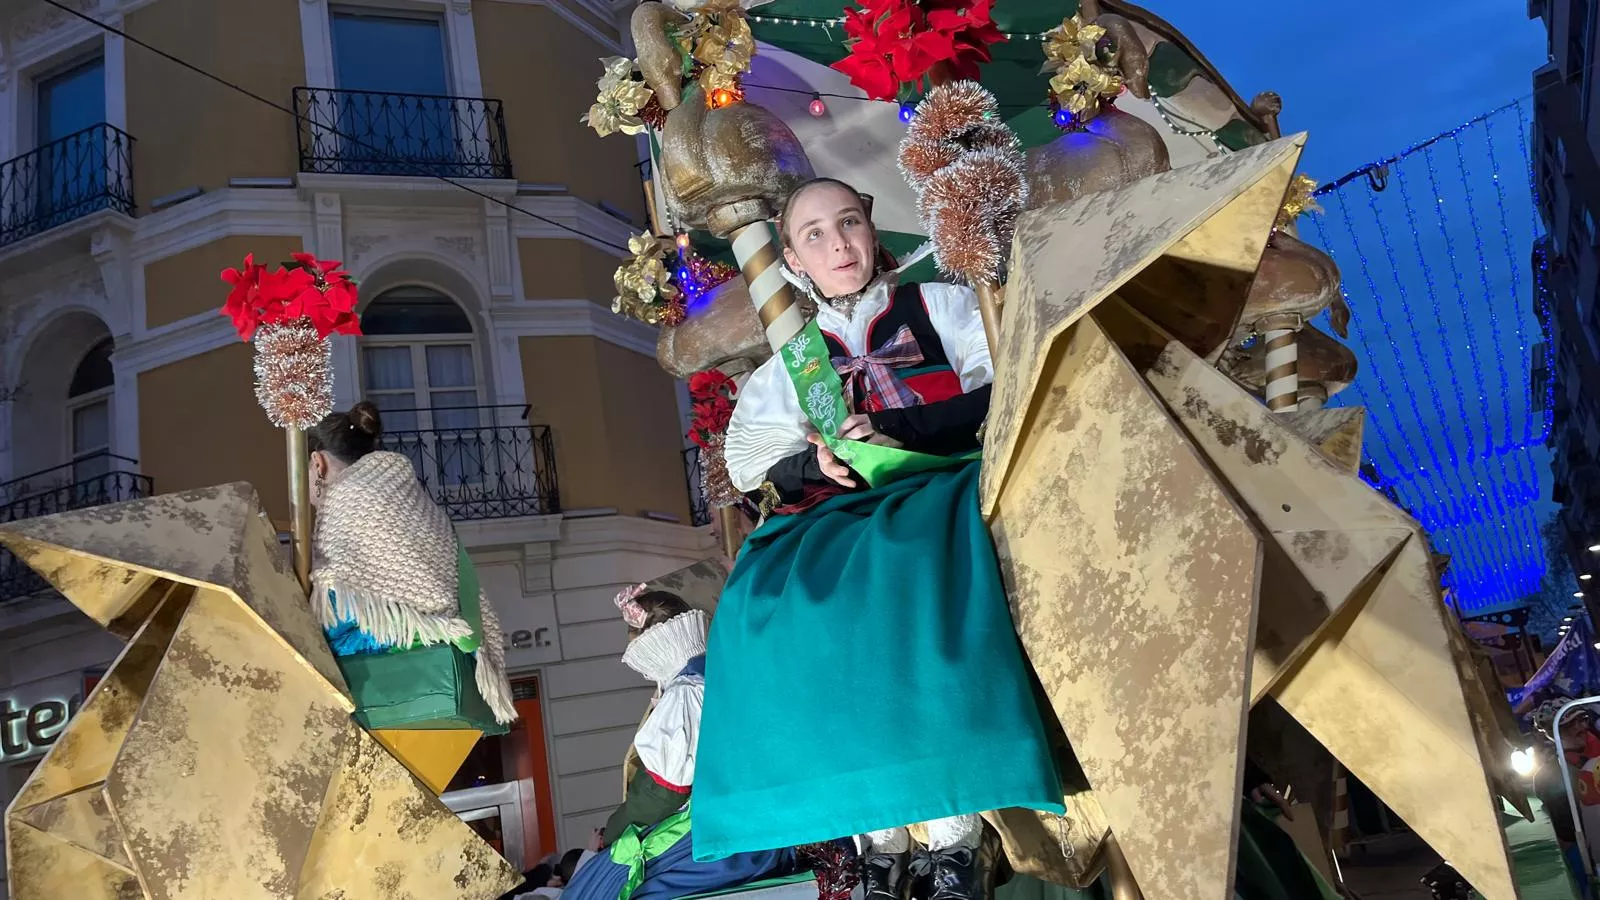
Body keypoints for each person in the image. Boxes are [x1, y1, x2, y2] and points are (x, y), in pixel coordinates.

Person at [695, 177, 1063, 900]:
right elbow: (750, 466)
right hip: (839, 509)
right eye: (814, 236)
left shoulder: (945, 306)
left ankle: (954, 833)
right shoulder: (788, 365)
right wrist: (816, 461)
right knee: (770, 600)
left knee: (905, 569)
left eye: (849, 224)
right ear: (794, 261)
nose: (838, 245)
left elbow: (1006, 385)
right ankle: (876, 837)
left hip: (941, 481)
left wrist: (906, 432)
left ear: (872, 229)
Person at [559, 586, 793, 900]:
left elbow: (662, 794)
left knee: (602, 890)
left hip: (722, 833)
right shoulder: (722, 674)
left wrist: (613, 832)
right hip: (755, 812)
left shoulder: (685, 692)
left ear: (655, 645)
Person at [307, 401, 516, 723]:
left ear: (317, 463)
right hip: (448, 655)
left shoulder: (348, 499)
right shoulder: (410, 496)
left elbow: (341, 613)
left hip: (393, 669)